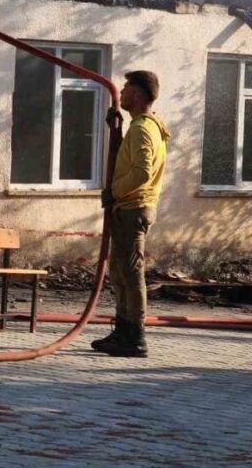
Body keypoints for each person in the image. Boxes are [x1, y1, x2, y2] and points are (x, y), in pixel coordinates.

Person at [92, 71, 171, 358]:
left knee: (131, 272)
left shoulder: (143, 129)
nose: (121, 93)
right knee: (120, 271)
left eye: (125, 89)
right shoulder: (145, 126)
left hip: (132, 207)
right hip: (129, 207)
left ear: (137, 94)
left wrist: (114, 191)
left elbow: (141, 172)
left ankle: (134, 335)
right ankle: (123, 330)